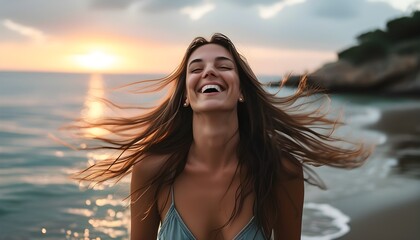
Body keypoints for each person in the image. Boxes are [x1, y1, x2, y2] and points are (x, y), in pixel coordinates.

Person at [72, 33, 371, 240]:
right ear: (186, 96)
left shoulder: (281, 171)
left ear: (241, 91)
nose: (209, 72)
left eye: (223, 66)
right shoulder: (153, 171)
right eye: (196, 68)